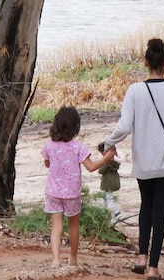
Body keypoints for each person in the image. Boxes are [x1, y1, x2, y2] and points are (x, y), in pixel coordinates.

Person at [102, 38, 164, 280]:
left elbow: (124, 126)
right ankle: (154, 267)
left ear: (146, 61)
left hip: (143, 161)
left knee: (145, 207)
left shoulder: (135, 90)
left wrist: (108, 143)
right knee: (159, 210)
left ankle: (141, 258)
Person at [42, 106, 116, 268]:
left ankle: (55, 259)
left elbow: (47, 163)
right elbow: (90, 167)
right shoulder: (78, 147)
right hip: (71, 193)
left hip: (53, 191)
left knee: (56, 226)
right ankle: (73, 258)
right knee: (73, 225)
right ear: (76, 127)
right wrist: (105, 159)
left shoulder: (49, 146)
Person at [97, 142, 122, 223]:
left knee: (108, 198)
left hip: (108, 182)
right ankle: (103, 212)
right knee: (105, 197)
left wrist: (103, 162)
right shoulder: (115, 160)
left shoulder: (107, 161)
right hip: (111, 180)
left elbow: (100, 170)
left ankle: (117, 212)